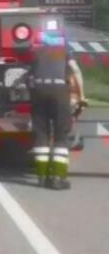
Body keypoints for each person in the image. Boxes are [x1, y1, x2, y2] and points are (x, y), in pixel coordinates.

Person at [29, 42, 84, 190]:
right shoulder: (65, 50)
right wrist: (82, 96)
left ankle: (41, 178)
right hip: (60, 92)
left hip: (39, 93)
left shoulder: (38, 51)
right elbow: (75, 70)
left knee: (41, 133)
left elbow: (30, 73)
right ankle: (58, 179)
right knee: (61, 134)